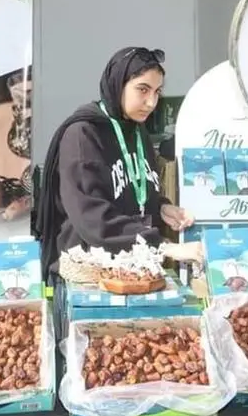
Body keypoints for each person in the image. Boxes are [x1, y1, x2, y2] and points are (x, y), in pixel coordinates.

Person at [35, 47, 200, 279]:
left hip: (135, 267)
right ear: (117, 84)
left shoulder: (138, 131)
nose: (151, 102)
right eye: (142, 89)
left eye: (157, 92)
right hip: (91, 273)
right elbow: (92, 217)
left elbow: (131, 190)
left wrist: (161, 207)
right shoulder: (82, 134)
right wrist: (164, 247)